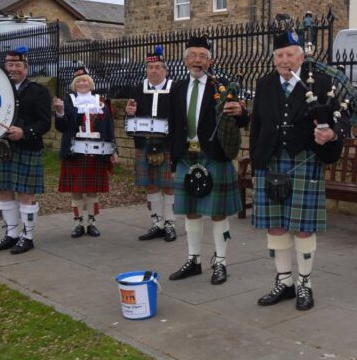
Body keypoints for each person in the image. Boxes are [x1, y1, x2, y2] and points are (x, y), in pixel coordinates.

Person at [250, 29, 345, 311]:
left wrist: (333, 135)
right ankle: (285, 281)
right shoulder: (265, 83)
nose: (284, 60)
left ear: (301, 56)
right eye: (278, 55)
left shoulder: (320, 82)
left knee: (303, 229)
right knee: (276, 225)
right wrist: (257, 162)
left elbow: (342, 117)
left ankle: (305, 283)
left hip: (305, 160)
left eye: (289, 54)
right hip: (271, 160)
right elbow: (257, 124)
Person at [167, 36, 249, 285]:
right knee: (190, 212)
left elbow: (241, 119)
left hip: (213, 155)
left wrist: (242, 112)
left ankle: (220, 262)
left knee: (217, 213)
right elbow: (173, 125)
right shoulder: (178, 87)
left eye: (202, 56)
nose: (197, 60)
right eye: (192, 55)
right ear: (184, 60)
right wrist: (173, 159)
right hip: (186, 156)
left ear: (210, 61)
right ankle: (194, 260)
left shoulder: (222, 86)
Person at [0, 46, 52, 255]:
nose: (13, 69)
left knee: (25, 194)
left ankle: (28, 237)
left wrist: (25, 131)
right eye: (9, 65)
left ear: (26, 67)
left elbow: (44, 123)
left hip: (26, 146)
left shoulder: (38, 91)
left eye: (17, 65)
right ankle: (11, 235)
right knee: (3, 190)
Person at [53, 66, 119, 238]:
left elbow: (109, 127)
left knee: (92, 190)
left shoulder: (101, 101)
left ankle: (90, 222)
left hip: (97, 152)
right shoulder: (67, 101)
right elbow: (62, 127)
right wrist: (60, 113)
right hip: (75, 151)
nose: (82, 83)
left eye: (85, 81)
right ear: (74, 85)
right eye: (78, 81)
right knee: (76, 190)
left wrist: (114, 150)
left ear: (91, 83)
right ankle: (78, 223)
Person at [125, 47, 178, 243]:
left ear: (165, 69)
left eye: (157, 67)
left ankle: (170, 224)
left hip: (168, 143)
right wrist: (129, 114)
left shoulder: (175, 88)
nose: (153, 70)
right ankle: (157, 224)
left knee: (169, 185)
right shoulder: (138, 89)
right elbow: (131, 118)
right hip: (145, 143)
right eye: (150, 67)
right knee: (151, 185)